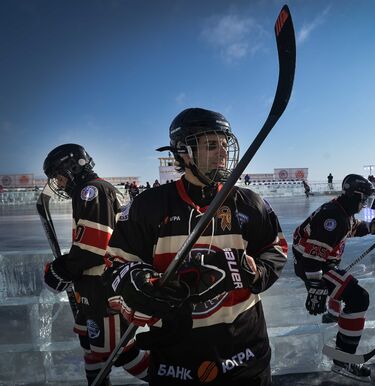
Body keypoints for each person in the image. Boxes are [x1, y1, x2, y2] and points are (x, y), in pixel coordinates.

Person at [102, 107, 288, 385]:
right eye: (212, 145)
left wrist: (257, 272)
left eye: (225, 145)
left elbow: (275, 249)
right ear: (183, 152)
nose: (223, 153)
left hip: (246, 353)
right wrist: (136, 282)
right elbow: (116, 264)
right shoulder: (148, 206)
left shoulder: (249, 203)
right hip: (176, 360)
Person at [42, 144, 149, 385]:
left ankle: (171, 379)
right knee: (92, 348)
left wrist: (61, 271)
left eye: (58, 176)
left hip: (103, 286)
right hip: (92, 286)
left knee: (120, 353)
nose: (58, 183)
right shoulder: (91, 189)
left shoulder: (92, 190)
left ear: (71, 169)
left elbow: (94, 247)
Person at [292, 174, 375, 382]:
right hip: (314, 265)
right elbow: (311, 259)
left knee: (344, 284)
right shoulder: (334, 218)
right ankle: (342, 360)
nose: (365, 204)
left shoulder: (342, 210)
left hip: (321, 262)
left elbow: (357, 227)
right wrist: (315, 287)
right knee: (358, 298)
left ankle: (334, 315)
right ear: (356, 196)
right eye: (364, 199)